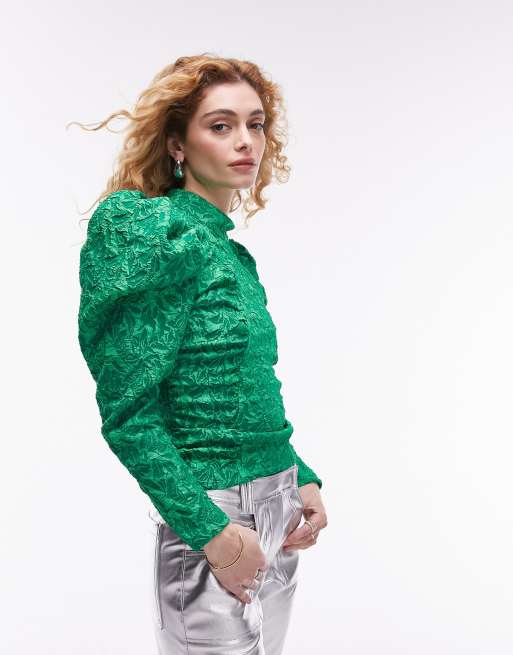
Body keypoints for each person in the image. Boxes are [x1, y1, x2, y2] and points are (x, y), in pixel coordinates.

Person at [75, 53, 328, 654]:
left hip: (280, 507)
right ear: (177, 145)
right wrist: (210, 531)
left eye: (256, 124)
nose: (246, 141)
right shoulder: (153, 235)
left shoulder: (233, 256)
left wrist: (300, 474)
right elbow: (129, 415)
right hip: (212, 517)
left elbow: (246, 387)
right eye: (220, 125)